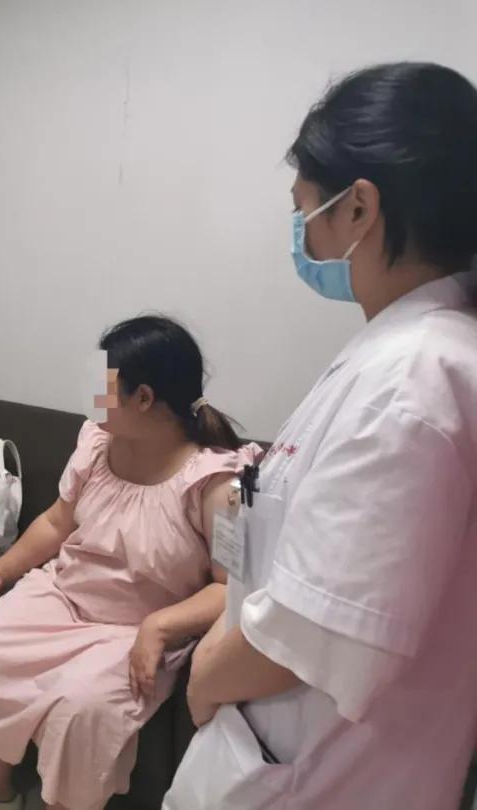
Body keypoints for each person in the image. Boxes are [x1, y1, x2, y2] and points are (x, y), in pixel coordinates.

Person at [163, 62, 477, 810]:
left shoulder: (411, 385)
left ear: (359, 207)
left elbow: (314, 633)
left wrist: (204, 677)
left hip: (312, 774)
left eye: (306, 208)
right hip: (281, 751)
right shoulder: (399, 355)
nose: (301, 233)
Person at [0, 316, 261, 810]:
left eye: (104, 383)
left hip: (134, 627)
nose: (93, 397)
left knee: (83, 709)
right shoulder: (96, 445)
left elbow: (230, 588)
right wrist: (4, 568)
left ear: (143, 398)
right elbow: (57, 522)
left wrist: (160, 627)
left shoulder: (217, 484)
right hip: (64, 595)